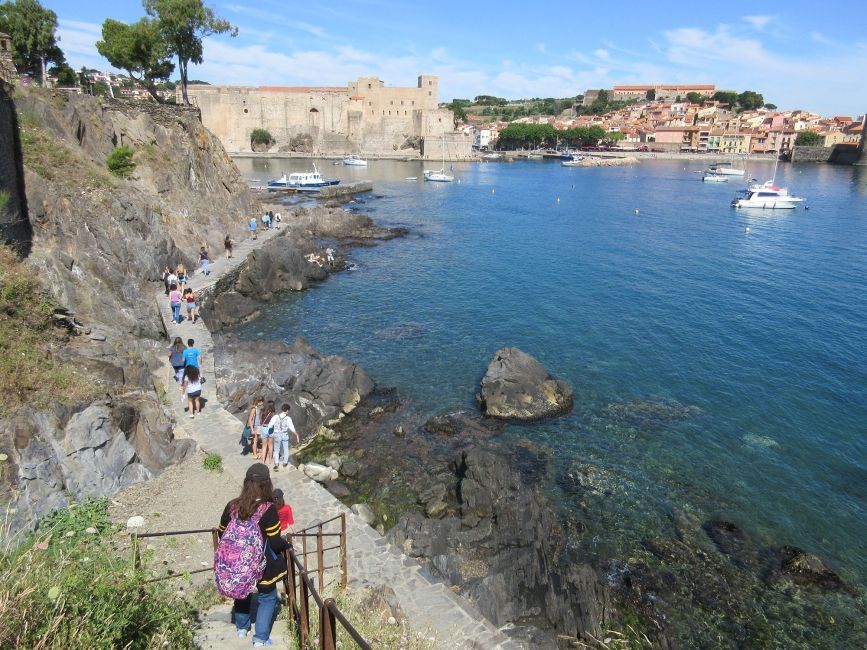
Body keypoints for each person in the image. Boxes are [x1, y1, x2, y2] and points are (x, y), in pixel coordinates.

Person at [218, 463, 288, 645]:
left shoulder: (232, 506)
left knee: (242, 593)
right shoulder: (269, 509)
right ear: (267, 484)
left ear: (247, 483)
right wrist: (286, 545)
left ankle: (242, 628)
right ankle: (260, 639)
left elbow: (221, 532)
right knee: (267, 597)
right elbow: (274, 541)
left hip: (238, 565)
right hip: (262, 566)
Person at [272, 403, 298, 470]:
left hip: (277, 434)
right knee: (286, 449)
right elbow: (291, 427)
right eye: (288, 410)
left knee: (276, 450)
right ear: (287, 410)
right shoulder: (288, 418)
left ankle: (276, 463)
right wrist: (296, 434)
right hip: (285, 434)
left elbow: (271, 425)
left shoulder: (276, 416)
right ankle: (285, 463)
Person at [259, 401, 276, 468]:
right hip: (271, 430)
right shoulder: (273, 415)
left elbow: (260, 422)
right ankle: (270, 460)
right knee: (271, 445)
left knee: (264, 446)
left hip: (264, 429)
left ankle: (263, 461)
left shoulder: (262, 413)